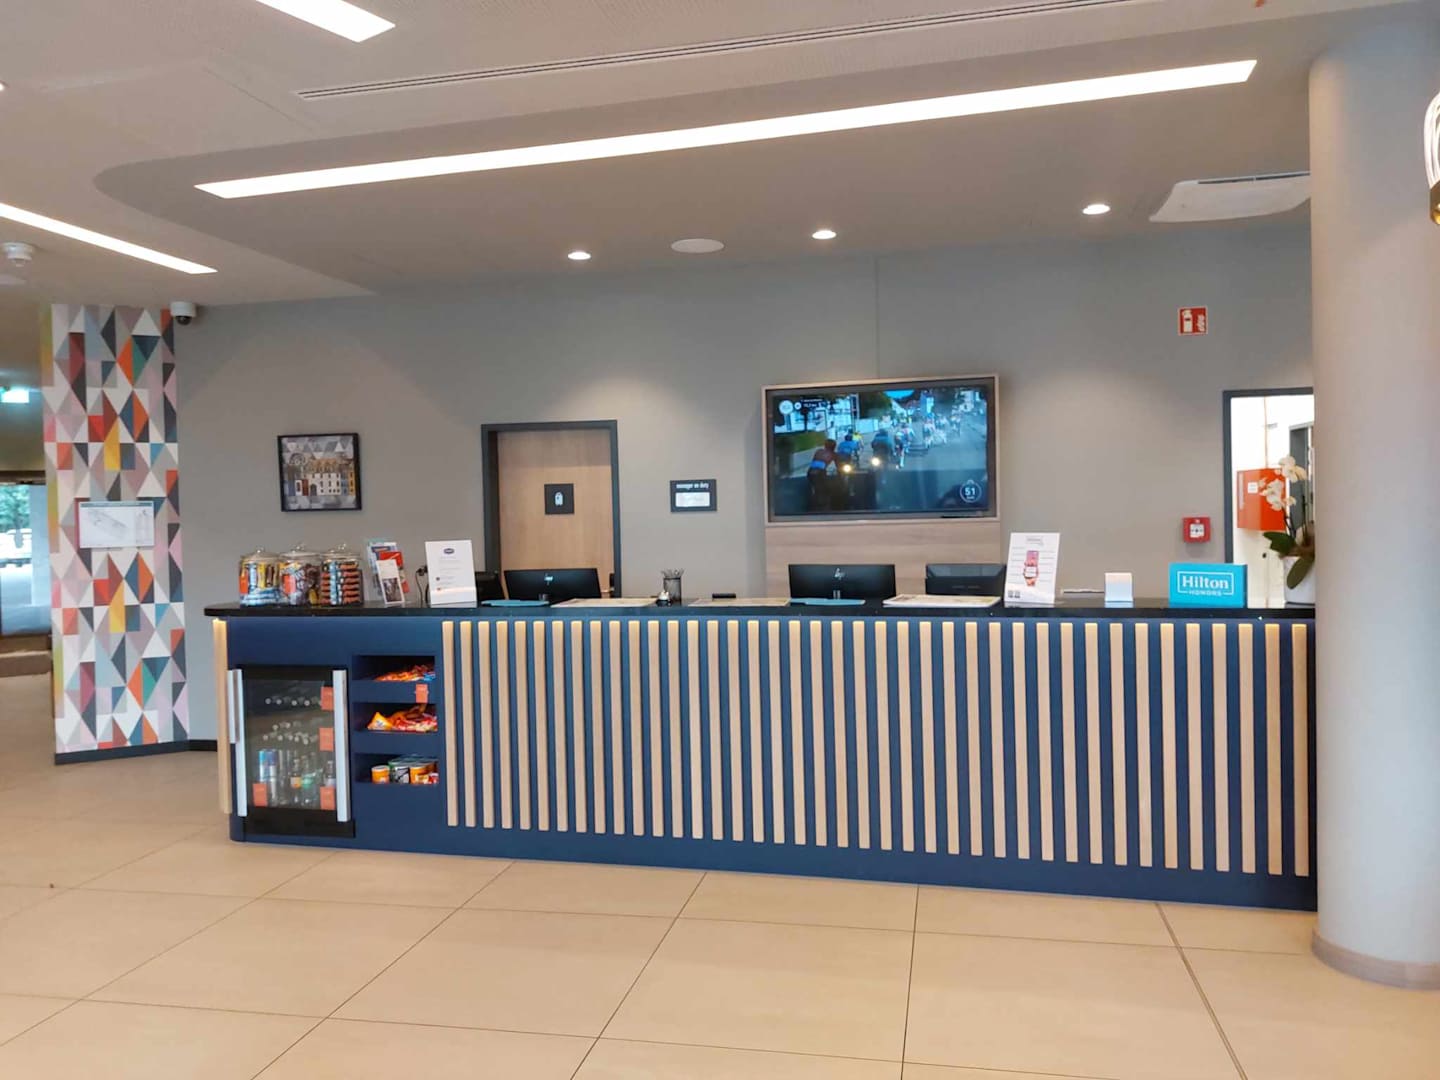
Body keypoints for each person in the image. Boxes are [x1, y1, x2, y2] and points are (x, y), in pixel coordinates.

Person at [807, 439, 837, 510]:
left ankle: (815, 504)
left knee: (816, 487)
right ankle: (824, 506)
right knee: (826, 488)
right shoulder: (833, 454)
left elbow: (814, 461)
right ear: (834, 446)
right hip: (820, 472)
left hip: (810, 471)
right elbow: (838, 465)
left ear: (825, 445)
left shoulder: (819, 451)